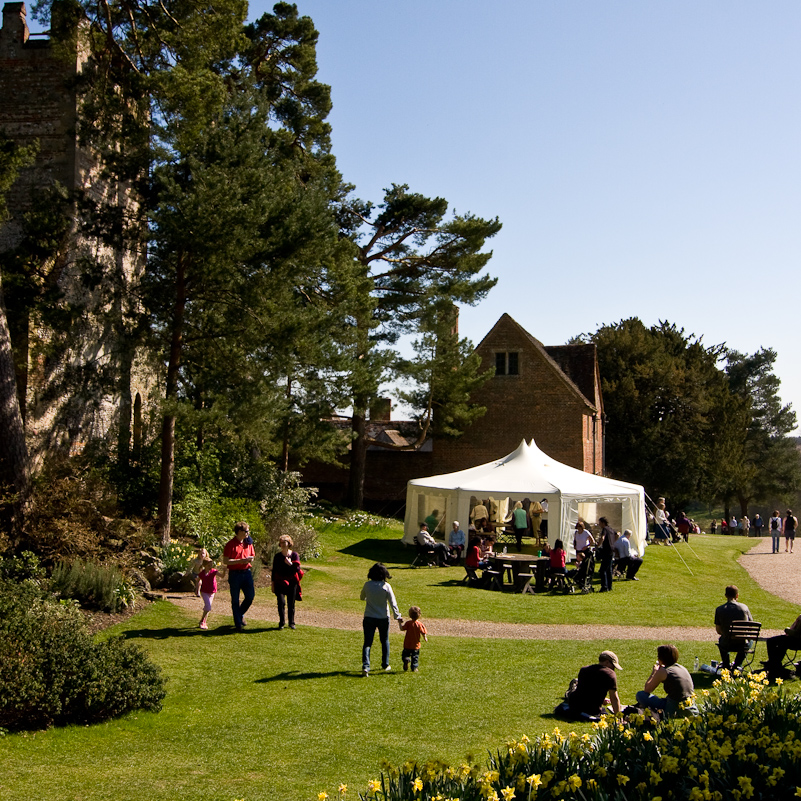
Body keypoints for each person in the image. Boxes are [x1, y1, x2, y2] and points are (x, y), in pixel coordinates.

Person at [360, 563, 403, 676]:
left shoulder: (367, 585)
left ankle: (366, 666)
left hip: (369, 616)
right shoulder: (386, 586)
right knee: (384, 641)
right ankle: (385, 664)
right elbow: (393, 603)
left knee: (367, 643)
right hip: (383, 617)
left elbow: (362, 597)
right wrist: (397, 616)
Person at [636, 644, 697, 717]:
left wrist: (654, 672)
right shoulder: (682, 668)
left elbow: (647, 689)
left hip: (673, 708)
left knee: (640, 695)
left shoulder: (664, 671)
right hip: (689, 705)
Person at [565, 651, 622, 720]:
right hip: (591, 710)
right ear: (607, 662)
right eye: (613, 666)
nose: (613, 669)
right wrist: (619, 717)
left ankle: (572, 689)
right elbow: (614, 697)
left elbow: (586, 691)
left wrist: (601, 699)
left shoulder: (584, 670)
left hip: (575, 706)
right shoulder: (610, 674)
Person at [223, 521, 255, 632]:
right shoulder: (230, 544)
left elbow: (252, 555)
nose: (248, 533)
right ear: (239, 532)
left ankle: (239, 614)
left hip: (246, 573)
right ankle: (238, 624)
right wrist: (241, 561)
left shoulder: (248, 543)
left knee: (250, 596)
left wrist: (249, 559)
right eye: (246, 531)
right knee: (235, 600)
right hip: (235, 574)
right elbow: (226, 561)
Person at [714, 585, 753, 671]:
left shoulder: (720, 609)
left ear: (726, 595)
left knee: (722, 639)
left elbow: (718, 630)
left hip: (727, 643)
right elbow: (750, 626)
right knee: (750, 641)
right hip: (742, 643)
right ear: (737, 595)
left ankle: (726, 664)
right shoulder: (744, 608)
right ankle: (737, 665)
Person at [271, 535, 302, 630]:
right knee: (281, 602)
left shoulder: (294, 555)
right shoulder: (277, 557)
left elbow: (297, 569)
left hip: (292, 582)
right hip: (280, 582)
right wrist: (272, 584)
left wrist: (290, 564)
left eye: (285, 542)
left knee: (291, 603)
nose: (283, 544)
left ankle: (291, 623)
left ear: (289, 543)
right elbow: (274, 571)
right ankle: (281, 623)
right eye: (281, 542)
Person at [762, 613, 801, 680]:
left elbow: (796, 633)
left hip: (796, 641)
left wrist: (787, 630)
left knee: (772, 641)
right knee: (781, 645)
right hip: (796, 640)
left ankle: (774, 665)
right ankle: (775, 664)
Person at [399, 606, 428, 672]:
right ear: (419, 615)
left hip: (407, 644)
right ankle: (414, 668)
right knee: (415, 657)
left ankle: (406, 659)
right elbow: (423, 632)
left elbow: (402, 628)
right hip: (416, 645)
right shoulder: (420, 624)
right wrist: (425, 638)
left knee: (405, 654)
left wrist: (400, 623)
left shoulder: (408, 623)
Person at [597, 517, 617, 592]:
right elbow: (617, 534)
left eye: (599, 523)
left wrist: (598, 545)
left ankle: (604, 587)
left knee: (602, 570)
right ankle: (609, 586)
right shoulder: (611, 529)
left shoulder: (604, 529)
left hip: (606, 551)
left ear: (603, 523)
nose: (599, 525)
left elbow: (602, 538)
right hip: (611, 551)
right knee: (608, 570)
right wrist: (613, 542)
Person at [198, 558, 218, 630]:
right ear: (205, 565)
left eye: (211, 565)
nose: (210, 566)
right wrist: (197, 588)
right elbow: (198, 580)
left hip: (212, 592)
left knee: (207, 607)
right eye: (209, 565)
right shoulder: (202, 573)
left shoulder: (213, 571)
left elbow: (221, 575)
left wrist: (225, 571)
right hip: (204, 592)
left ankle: (203, 621)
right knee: (208, 606)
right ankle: (202, 621)